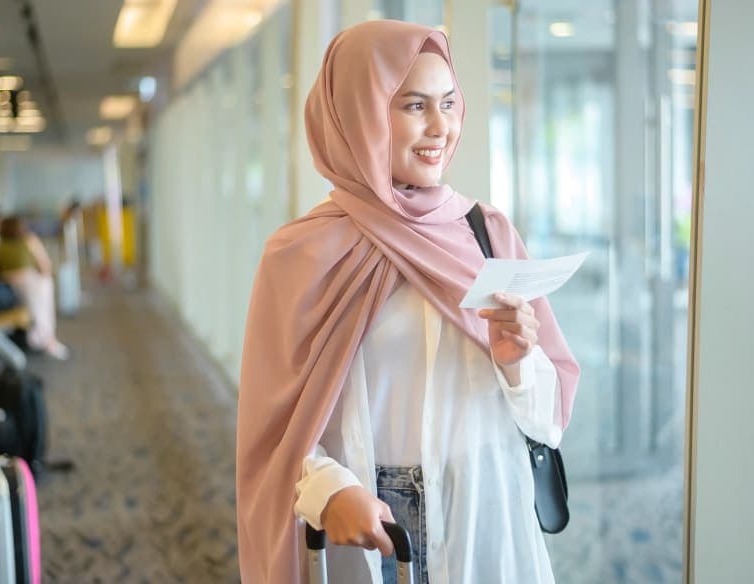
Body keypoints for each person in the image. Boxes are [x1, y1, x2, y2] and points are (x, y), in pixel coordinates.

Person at [236, 20, 580, 584]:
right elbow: (272, 432)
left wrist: (517, 360)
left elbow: (547, 421)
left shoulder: (484, 233)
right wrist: (329, 490)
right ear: (359, 112)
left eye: (448, 103)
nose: (440, 127)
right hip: (364, 522)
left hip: (483, 513)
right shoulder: (299, 255)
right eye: (414, 105)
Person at [0, 215, 69, 360]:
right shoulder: (29, 240)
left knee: (39, 304)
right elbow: (45, 266)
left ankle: (43, 337)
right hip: (29, 281)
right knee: (44, 301)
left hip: (9, 283)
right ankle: (46, 339)